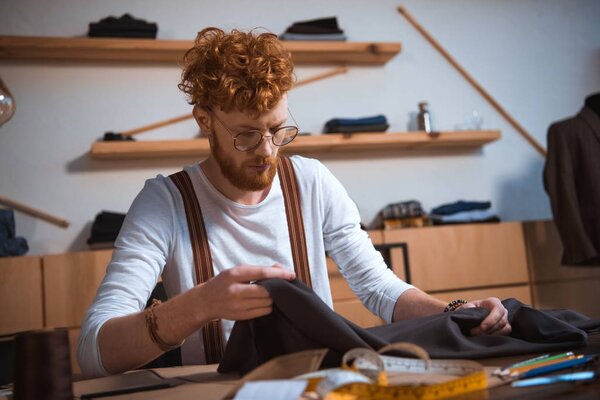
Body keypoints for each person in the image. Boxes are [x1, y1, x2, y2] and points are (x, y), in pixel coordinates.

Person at [78, 27, 510, 378]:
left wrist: (458, 313)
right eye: (246, 134)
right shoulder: (165, 203)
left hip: (315, 387)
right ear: (204, 120)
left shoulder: (312, 182)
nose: (267, 150)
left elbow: (381, 290)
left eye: (278, 129)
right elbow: (94, 352)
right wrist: (200, 305)